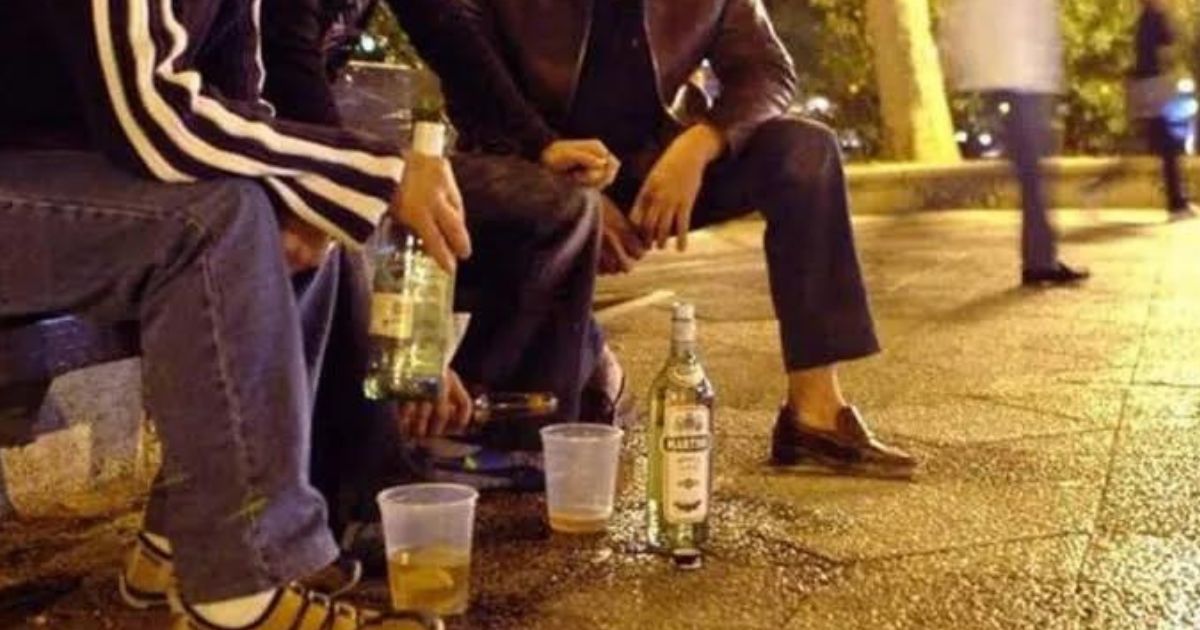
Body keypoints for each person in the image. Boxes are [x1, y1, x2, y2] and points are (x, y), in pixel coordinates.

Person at [0, 0, 515, 626]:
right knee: (218, 221)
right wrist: (376, 174)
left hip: (62, 173)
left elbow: (242, 99)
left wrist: (312, 194)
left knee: (296, 221)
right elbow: (150, 117)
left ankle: (183, 544)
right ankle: (238, 590)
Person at [380, 0, 919, 476]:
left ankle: (815, 414)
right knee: (554, 224)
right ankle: (523, 393)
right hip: (531, 164)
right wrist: (570, 184)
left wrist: (702, 143)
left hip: (654, 170)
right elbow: (475, 89)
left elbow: (767, 69)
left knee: (805, 152)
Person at [943, 0, 1090, 286]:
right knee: (1034, 173)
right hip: (1018, 78)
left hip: (1019, 76)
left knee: (1034, 174)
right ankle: (1039, 261)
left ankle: (1039, 258)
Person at [1131, 0, 1196, 220]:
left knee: (1161, 147)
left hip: (1145, 88)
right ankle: (1176, 204)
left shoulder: (1143, 20)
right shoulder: (1158, 19)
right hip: (1158, 88)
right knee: (1169, 146)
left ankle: (1177, 202)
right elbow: (1167, 56)